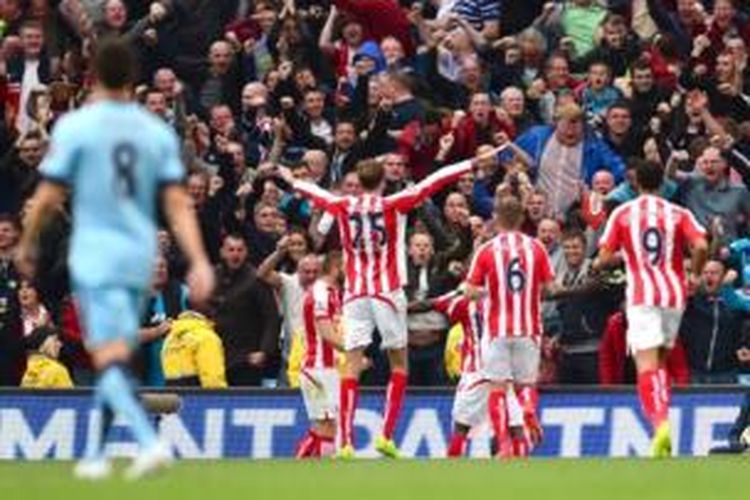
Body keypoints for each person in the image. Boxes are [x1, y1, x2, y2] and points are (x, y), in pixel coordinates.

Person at [15, 39, 214, 480]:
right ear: (133, 79)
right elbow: (178, 201)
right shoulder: (154, 129)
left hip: (96, 251)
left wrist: (27, 241)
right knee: (117, 352)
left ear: (94, 76)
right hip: (139, 253)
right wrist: (199, 259)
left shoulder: (77, 127)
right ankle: (96, 453)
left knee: (104, 354)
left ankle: (146, 441)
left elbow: (48, 193)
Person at [278, 147, 503, 458]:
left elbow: (312, 193)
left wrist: (290, 178)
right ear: (383, 180)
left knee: (352, 364)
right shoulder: (393, 204)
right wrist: (469, 162)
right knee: (399, 363)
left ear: (358, 180)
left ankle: (344, 442)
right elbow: (432, 182)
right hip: (387, 292)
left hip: (355, 293)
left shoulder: (342, 205)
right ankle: (385, 435)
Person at [593, 160, 708, 457]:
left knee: (646, 366)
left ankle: (660, 425)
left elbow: (604, 258)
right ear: (662, 183)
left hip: (643, 297)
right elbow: (702, 246)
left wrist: (610, 258)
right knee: (660, 363)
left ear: (635, 182)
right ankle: (663, 424)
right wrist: (694, 275)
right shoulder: (678, 212)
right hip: (674, 295)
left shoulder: (623, 212)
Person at [466, 195, 555, 458]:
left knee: (498, 388)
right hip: (528, 328)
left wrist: (490, 291)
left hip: (496, 330)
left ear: (496, 217)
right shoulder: (536, 248)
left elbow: (470, 291)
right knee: (526, 384)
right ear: (522, 217)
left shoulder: (486, 250)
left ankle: (503, 443)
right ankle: (527, 407)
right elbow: (550, 288)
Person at [428, 290, 528, 457]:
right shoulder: (508, 301)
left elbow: (437, 304)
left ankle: (452, 468)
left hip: (476, 369)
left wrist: (459, 291)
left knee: (461, 426)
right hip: (502, 369)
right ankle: (518, 467)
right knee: (514, 425)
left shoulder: (465, 303)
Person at [295, 252, 345, 459]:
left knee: (324, 425)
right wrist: (352, 352)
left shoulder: (332, 292)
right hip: (318, 369)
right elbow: (325, 332)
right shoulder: (321, 293)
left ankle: (303, 464)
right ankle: (320, 469)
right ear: (335, 266)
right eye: (346, 266)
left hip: (326, 369)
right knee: (327, 426)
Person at [161, 310, 227, 388]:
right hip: (197, 395)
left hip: (173, 395)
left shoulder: (170, 339)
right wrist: (219, 398)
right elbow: (213, 379)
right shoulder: (206, 337)